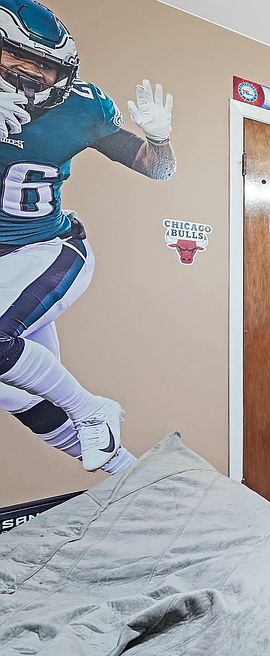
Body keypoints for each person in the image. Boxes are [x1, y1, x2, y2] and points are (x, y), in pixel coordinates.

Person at [0, 0, 176, 473]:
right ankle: (127, 474)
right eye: (17, 57)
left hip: (46, 248)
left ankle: (92, 409)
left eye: (45, 66)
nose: (30, 75)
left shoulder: (82, 107)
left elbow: (159, 170)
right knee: (15, 390)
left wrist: (159, 139)